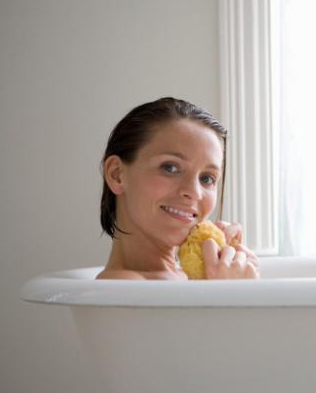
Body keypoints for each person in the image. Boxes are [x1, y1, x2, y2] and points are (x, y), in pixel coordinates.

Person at [96, 97, 259, 280]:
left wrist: (223, 259)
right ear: (116, 174)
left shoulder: (195, 277)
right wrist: (231, 290)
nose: (194, 192)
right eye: (170, 168)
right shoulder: (122, 286)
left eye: (207, 178)